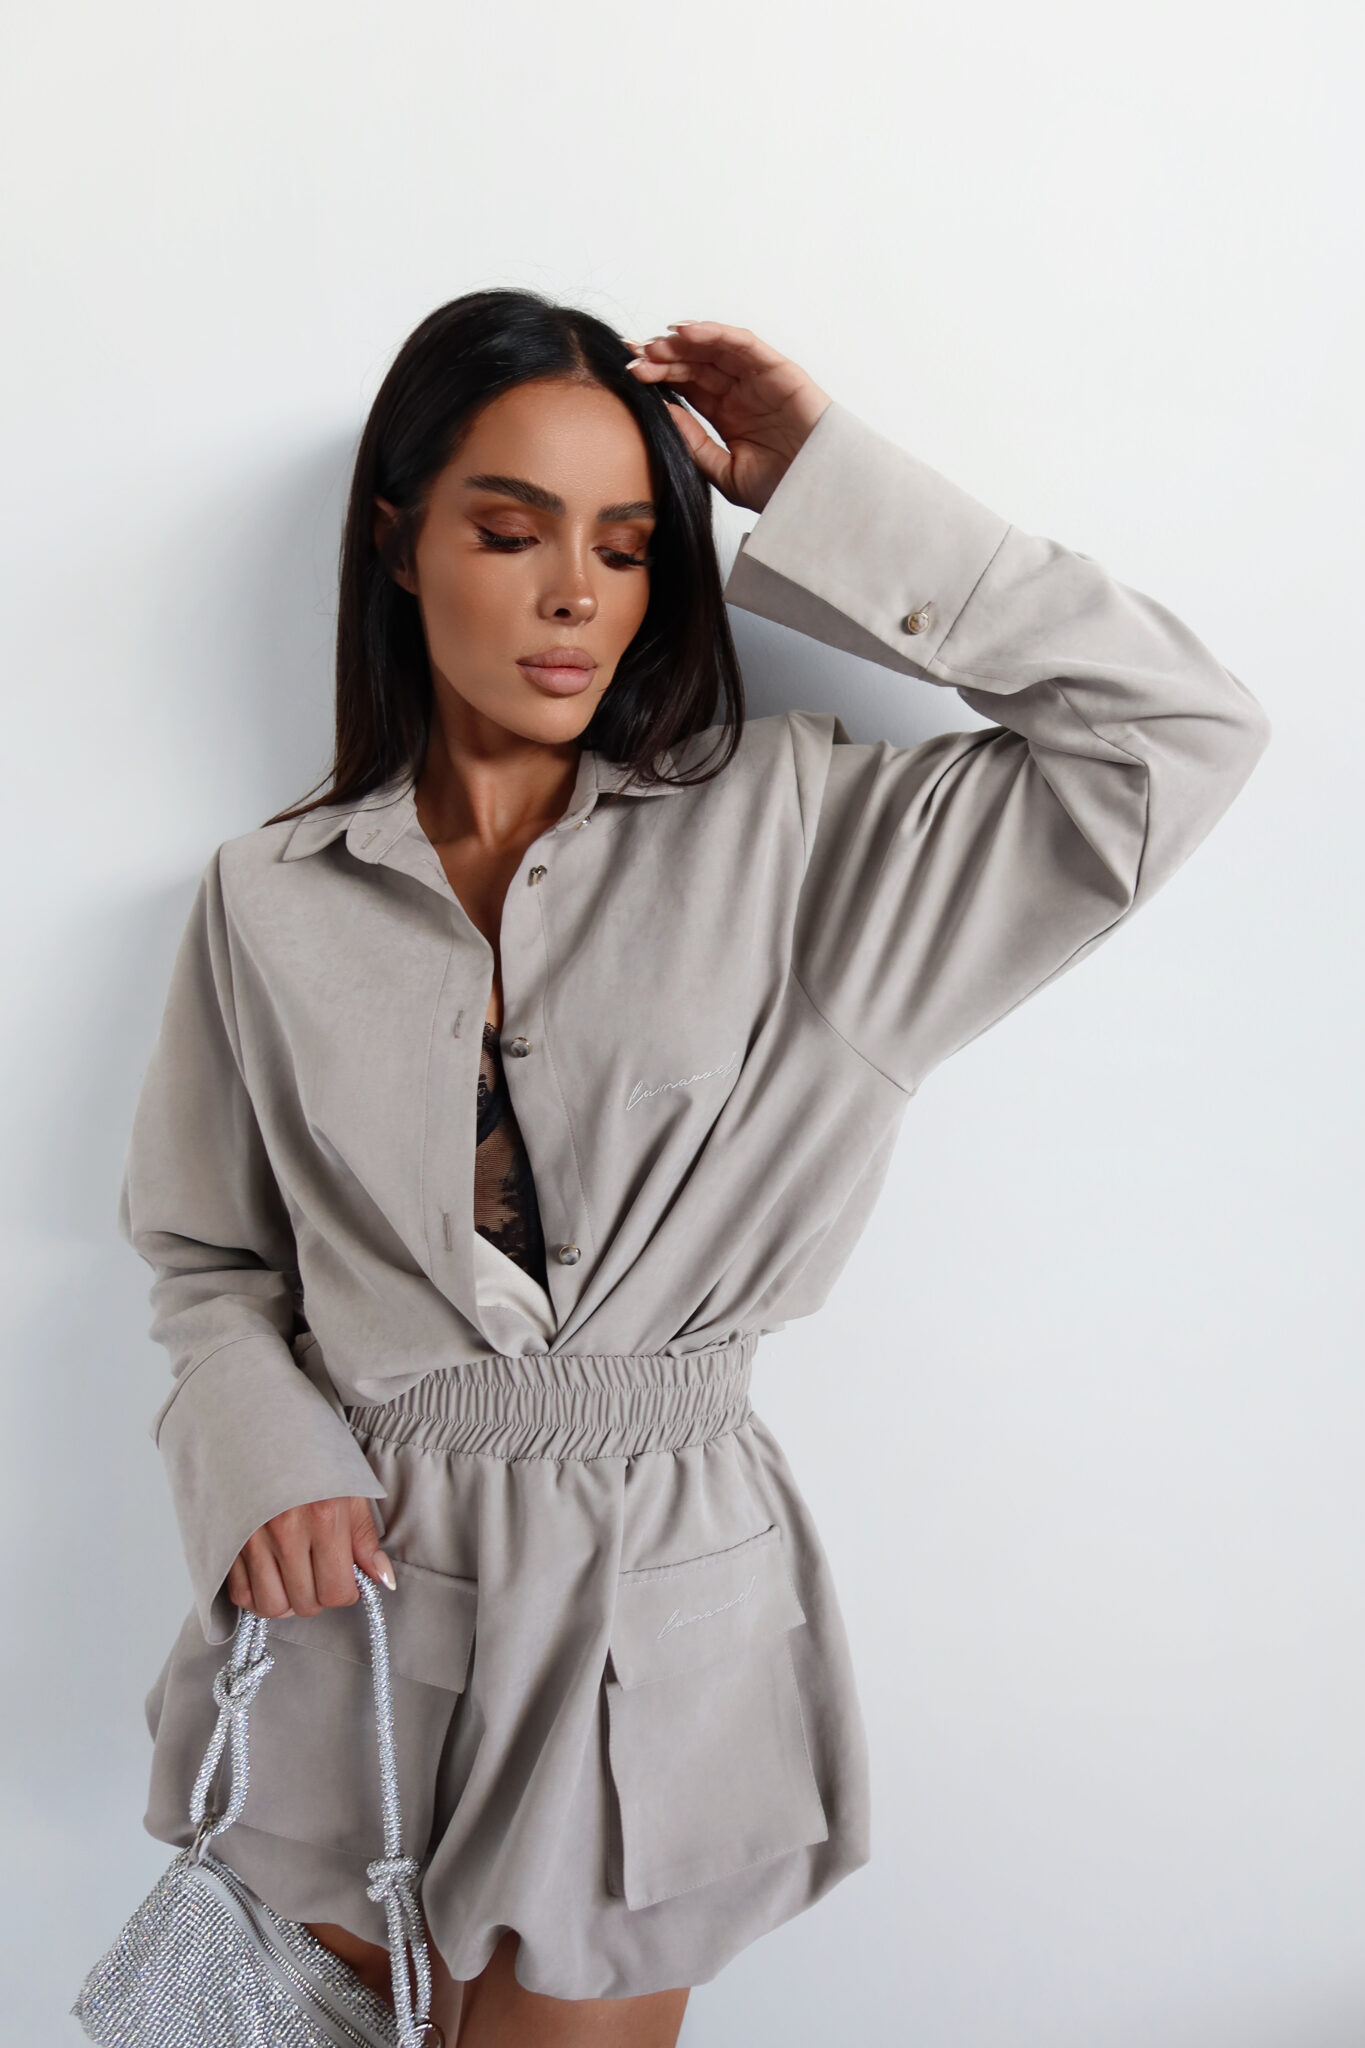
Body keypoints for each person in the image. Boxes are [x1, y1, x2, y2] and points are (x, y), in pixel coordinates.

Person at [120, 293, 1271, 2047]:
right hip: (353, 1593)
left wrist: (827, 485)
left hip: (652, 1604)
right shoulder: (267, 892)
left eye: (626, 544)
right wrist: (257, 1455)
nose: (573, 594)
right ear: (400, 543)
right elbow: (208, 1255)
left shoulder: (808, 839)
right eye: (510, 532)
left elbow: (1173, 732)